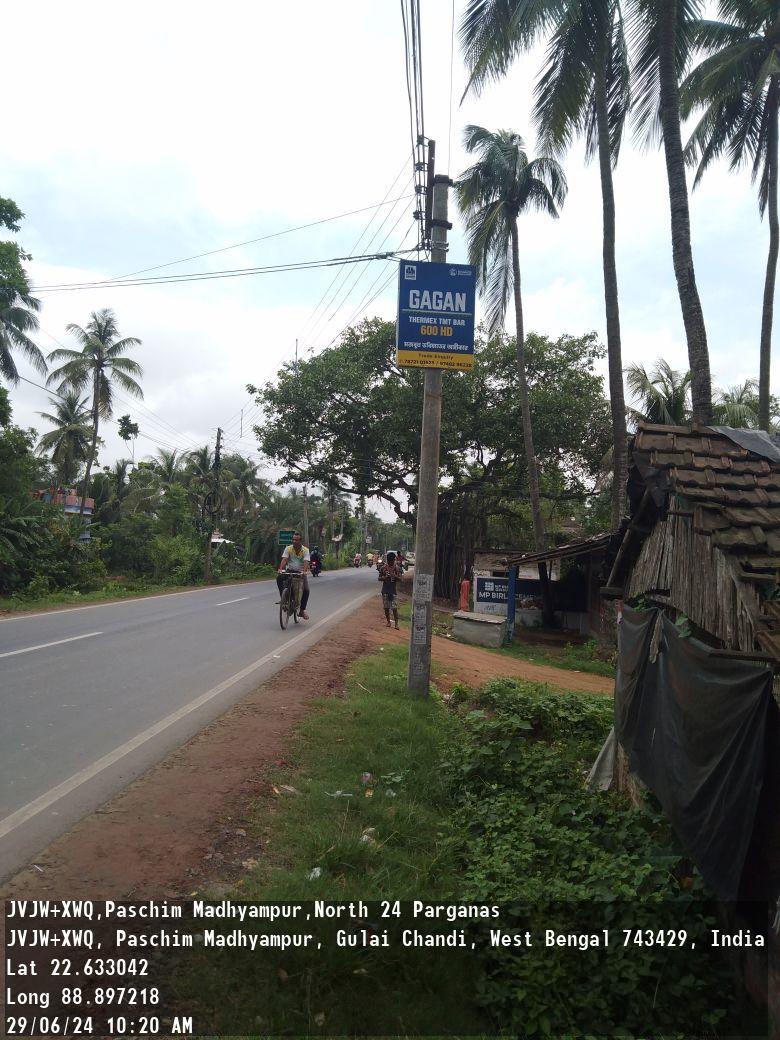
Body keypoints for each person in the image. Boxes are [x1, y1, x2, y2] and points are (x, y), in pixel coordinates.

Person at [277, 532, 311, 619]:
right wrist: (280, 569)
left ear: (300, 541)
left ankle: (302, 611)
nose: (294, 541)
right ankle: (283, 598)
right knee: (279, 578)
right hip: (290, 570)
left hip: (300, 573)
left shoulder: (305, 550)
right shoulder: (288, 548)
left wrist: (304, 571)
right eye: (293, 540)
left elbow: (306, 561)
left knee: (306, 590)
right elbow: (284, 559)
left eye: (296, 540)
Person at [377, 550, 403, 629]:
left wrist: (394, 576)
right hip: (385, 590)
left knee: (394, 608)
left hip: (393, 590)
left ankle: (396, 624)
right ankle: (388, 621)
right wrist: (384, 577)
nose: (390, 563)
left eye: (392, 561)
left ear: (394, 560)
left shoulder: (397, 568)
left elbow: (401, 579)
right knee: (386, 607)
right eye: (389, 561)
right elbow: (379, 578)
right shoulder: (383, 568)